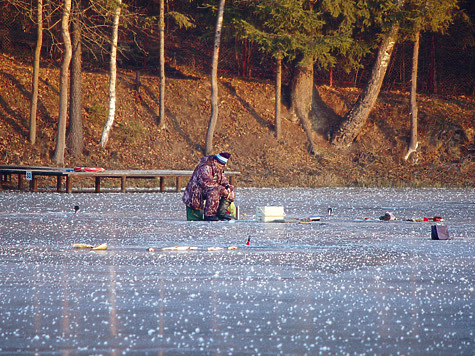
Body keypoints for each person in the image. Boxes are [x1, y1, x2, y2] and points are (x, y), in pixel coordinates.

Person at [182, 152, 236, 221]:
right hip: (197, 193)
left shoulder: (218, 168)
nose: (220, 168)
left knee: (230, 190)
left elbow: (223, 180)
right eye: (220, 166)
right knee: (215, 190)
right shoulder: (205, 167)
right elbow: (207, 183)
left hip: (209, 190)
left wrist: (227, 187)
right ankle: (209, 214)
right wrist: (222, 189)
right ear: (215, 161)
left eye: (222, 166)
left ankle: (221, 212)